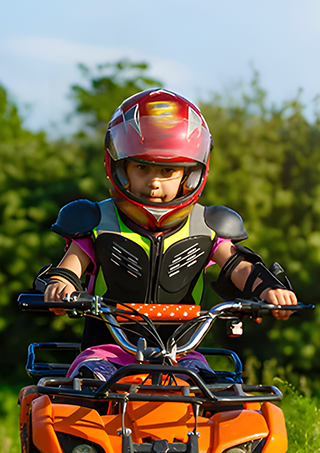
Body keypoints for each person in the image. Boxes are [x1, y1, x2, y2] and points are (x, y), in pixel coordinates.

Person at [34, 88, 297, 381]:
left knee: (222, 397)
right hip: (106, 353)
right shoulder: (96, 221)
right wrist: (60, 285)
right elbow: (70, 266)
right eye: (142, 167)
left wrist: (269, 290)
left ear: (191, 174)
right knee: (87, 389)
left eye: (168, 171)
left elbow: (239, 266)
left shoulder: (207, 226)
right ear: (119, 167)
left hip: (182, 355)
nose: (154, 183)